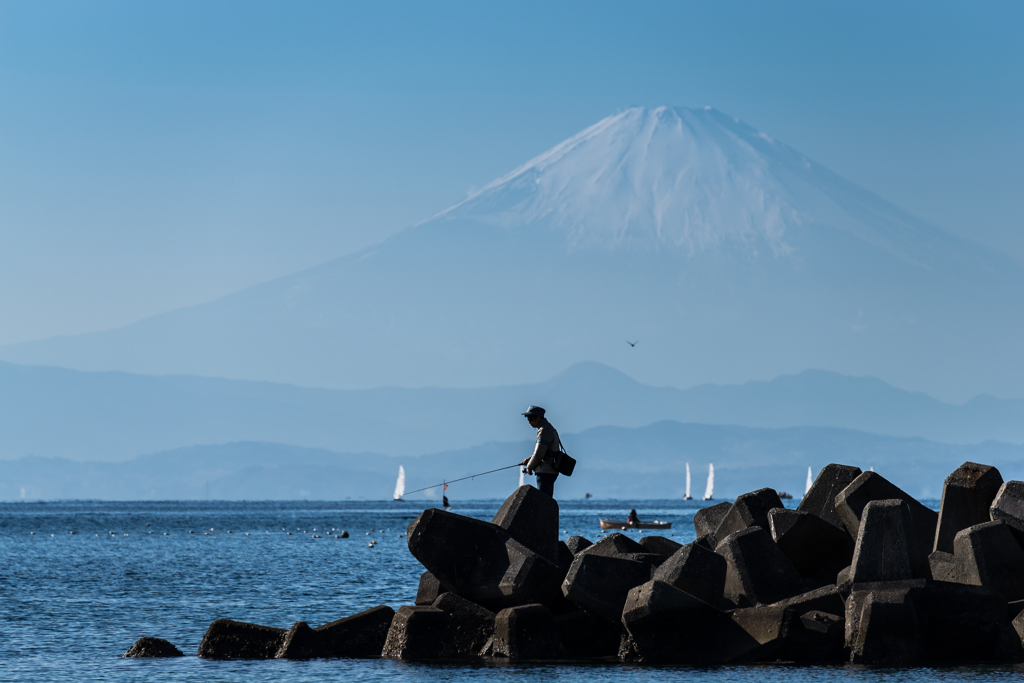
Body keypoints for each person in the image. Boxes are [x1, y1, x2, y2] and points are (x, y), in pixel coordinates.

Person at [519, 405, 561, 498]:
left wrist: (529, 468)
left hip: (545, 472)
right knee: (547, 501)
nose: (529, 421)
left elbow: (539, 454)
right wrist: (529, 459)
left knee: (543, 501)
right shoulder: (548, 428)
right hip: (550, 470)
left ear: (538, 417)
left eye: (531, 418)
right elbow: (544, 451)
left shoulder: (544, 430)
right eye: (527, 418)